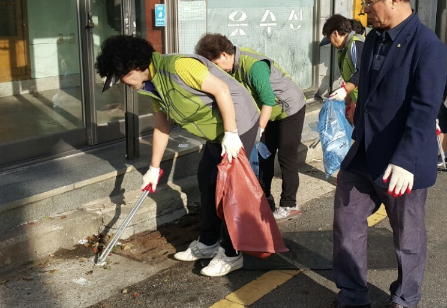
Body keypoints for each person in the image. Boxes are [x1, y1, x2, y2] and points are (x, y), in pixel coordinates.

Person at [332, 0, 447, 308]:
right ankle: (352, 296)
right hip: (365, 153)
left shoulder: (427, 46)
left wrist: (405, 159)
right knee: (346, 222)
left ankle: (405, 298)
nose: (364, 8)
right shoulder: (374, 39)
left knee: (407, 236)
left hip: (402, 161)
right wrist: (350, 95)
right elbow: (370, 86)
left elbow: (425, 109)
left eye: (369, 1)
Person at [95, 35, 259, 277]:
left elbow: (222, 90)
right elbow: (162, 127)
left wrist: (232, 133)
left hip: (239, 123)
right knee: (207, 181)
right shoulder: (152, 85)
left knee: (230, 191)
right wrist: (153, 168)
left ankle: (232, 254)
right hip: (217, 133)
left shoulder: (178, 67)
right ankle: (208, 242)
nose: (123, 83)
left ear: (135, 66)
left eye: (122, 77)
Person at [194, 33, 307, 222]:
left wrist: (259, 129)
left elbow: (268, 101)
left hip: (289, 108)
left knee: (286, 155)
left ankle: (289, 204)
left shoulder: (254, 66)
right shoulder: (232, 68)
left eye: (214, 64)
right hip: (267, 112)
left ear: (224, 55)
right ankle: (264, 199)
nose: (215, 70)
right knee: (265, 155)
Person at [320, 15, 366, 123]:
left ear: (335, 33)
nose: (331, 43)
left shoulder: (356, 44)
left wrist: (344, 90)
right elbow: (351, 78)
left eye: (329, 38)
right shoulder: (344, 49)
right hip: (359, 101)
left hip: (366, 102)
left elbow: (361, 72)